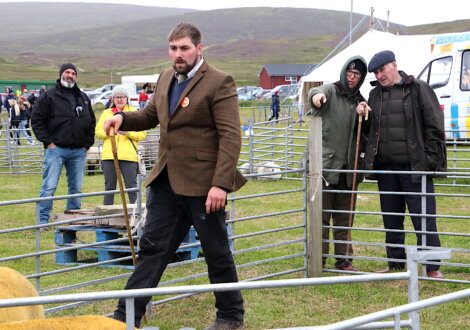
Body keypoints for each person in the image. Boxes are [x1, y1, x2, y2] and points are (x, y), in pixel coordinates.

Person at [104, 22, 246, 329]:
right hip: (166, 183)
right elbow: (151, 115)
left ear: (199, 48)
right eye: (173, 48)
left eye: (184, 48)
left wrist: (220, 184)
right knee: (152, 249)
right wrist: (121, 117)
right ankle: (126, 315)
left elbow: (231, 136)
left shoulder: (220, 82)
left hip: (204, 185)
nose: (178, 54)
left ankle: (230, 316)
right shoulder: (166, 77)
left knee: (216, 250)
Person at [357, 50, 446, 279]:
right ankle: (395, 264)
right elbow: (370, 131)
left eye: (383, 69)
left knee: (423, 218)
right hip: (386, 169)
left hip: (414, 168)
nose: (380, 75)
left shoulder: (417, 88)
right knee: (391, 219)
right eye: (376, 72)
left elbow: (434, 124)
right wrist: (363, 115)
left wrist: (428, 160)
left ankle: (432, 267)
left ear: (394, 65)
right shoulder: (374, 94)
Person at [308, 56, 368, 272]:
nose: (352, 78)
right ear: (344, 73)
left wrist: (364, 113)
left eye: (357, 75)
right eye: (350, 74)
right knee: (321, 218)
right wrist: (317, 97)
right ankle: (318, 259)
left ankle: (344, 261)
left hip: (348, 170)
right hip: (325, 168)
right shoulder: (331, 91)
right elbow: (314, 93)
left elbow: (364, 133)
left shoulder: (359, 100)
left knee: (344, 219)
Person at [31, 63, 96, 225]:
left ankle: (73, 221)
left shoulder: (83, 97)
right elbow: (37, 120)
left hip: (78, 151)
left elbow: (91, 122)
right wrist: (49, 142)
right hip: (56, 149)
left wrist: (87, 144)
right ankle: (43, 221)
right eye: (67, 72)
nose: (70, 75)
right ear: (61, 74)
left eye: (73, 73)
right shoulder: (48, 96)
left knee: (76, 189)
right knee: (49, 187)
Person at [95, 85, 147, 205]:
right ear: (112, 99)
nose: (119, 99)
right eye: (116, 97)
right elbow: (98, 132)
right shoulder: (106, 113)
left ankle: (136, 215)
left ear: (126, 98)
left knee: (131, 187)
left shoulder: (134, 112)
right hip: (109, 156)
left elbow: (142, 134)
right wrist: (109, 132)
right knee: (109, 188)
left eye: (122, 97)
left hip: (128, 156)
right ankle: (107, 216)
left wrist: (127, 133)